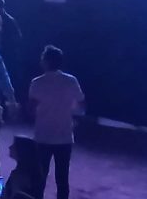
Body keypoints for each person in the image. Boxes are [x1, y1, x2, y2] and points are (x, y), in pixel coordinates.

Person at [28, 45, 84, 199]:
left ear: (45, 61)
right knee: (62, 178)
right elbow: (81, 104)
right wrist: (74, 118)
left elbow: (31, 109)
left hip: (43, 136)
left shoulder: (37, 82)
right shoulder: (71, 81)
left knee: (39, 177)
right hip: (65, 136)